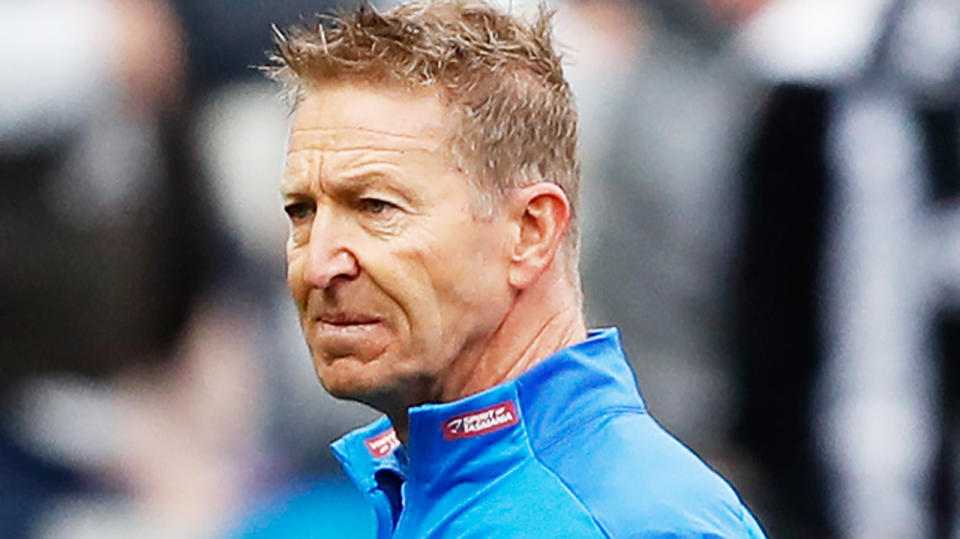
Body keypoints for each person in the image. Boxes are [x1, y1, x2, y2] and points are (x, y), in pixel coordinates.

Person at [266, 1, 765, 536]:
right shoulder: (434, 484)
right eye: (302, 212)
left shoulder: (620, 522)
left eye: (375, 208)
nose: (319, 265)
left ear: (531, 232)